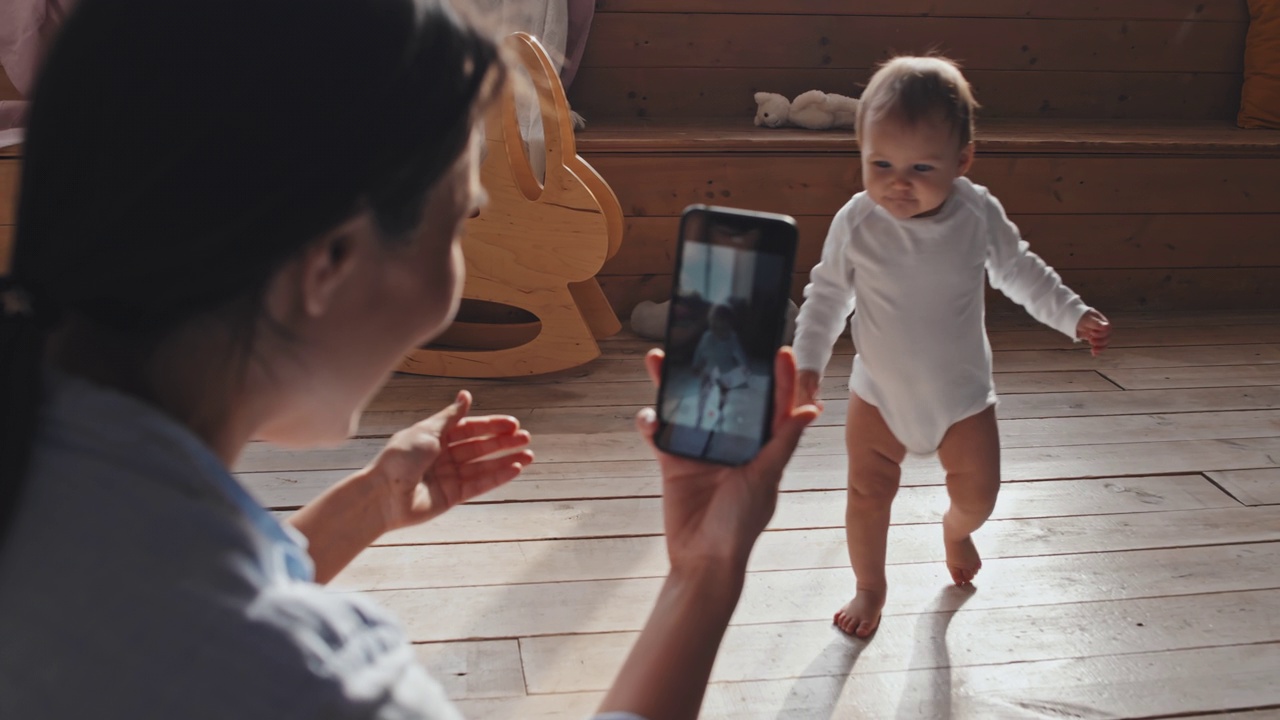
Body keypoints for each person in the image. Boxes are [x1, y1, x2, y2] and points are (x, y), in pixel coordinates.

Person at [0, 1, 819, 719]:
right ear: (330, 263)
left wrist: (362, 508)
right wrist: (704, 573)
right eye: (460, 224)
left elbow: (145, 609)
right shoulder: (312, 680)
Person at [791, 56, 1114, 639]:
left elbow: (1020, 271)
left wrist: (1070, 313)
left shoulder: (975, 213)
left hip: (961, 399)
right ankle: (870, 586)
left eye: (920, 167)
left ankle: (956, 529)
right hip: (879, 396)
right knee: (867, 493)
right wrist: (808, 361)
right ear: (861, 152)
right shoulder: (857, 221)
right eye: (880, 163)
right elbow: (827, 294)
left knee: (980, 496)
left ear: (961, 162)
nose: (897, 182)